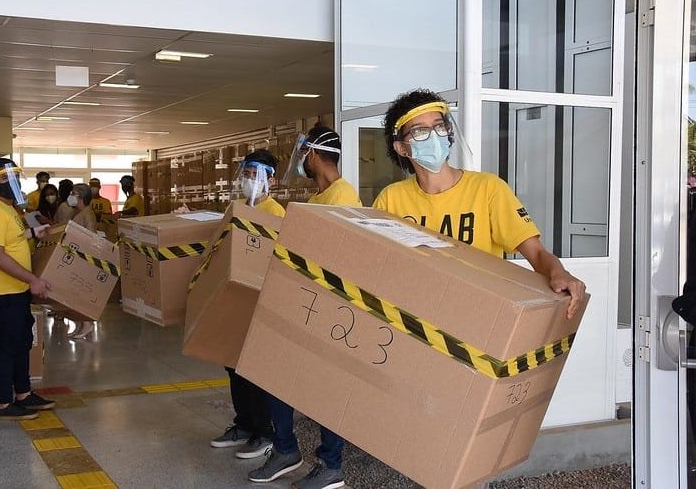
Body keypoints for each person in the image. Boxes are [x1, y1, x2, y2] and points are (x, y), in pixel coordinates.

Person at [373, 89, 585, 320]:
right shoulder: (391, 199)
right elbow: (378, 265)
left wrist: (559, 272)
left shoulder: (488, 189)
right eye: (420, 131)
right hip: (419, 317)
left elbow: (536, 252)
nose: (434, 136)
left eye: (439, 126)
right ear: (402, 148)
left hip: (481, 316)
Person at [249, 129, 359, 488]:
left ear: (312, 154)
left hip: (328, 309)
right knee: (277, 374)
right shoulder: (322, 196)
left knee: (325, 389)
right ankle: (285, 448)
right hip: (307, 302)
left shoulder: (343, 197)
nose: (300, 162)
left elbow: (340, 258)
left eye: (302, 154)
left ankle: (331, 464)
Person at [211, 150, 284, 460]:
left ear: (271, 179)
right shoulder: (237, 207)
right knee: (233, 364)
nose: (250, 181)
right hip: (236, 298)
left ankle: (264, 432)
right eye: (247, 174)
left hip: (261, 299)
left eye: (257, 175)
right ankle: (243, 423)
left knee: (254, 368)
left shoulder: (275, 212)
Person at [0, 158, 55, 420]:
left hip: (16, 292)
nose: (11, 183)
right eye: (4, 178)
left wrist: (34, 234)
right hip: (0, 293)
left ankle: (23, 393)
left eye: (15, 177)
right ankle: (5, 403)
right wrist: (33, 279)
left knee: (22, 343)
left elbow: (12, 240)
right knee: (6, 347)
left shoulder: (9, 209)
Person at [65, 183, 98, 339]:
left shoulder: (87, 213)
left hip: (84, 257)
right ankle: (80, 323)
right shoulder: (77, 212)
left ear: (81, 197)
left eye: (73, 193)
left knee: (82, 293)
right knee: (75, 293)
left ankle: (87, 323)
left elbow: (91, 235)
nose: (70, 196)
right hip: (76, 255)